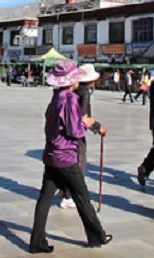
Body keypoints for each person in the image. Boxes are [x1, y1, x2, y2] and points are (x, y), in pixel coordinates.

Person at [29, 61, 111, 254]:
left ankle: (37, 240)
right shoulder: (70, 99)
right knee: (82, 197)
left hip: (51, 154)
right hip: (65, 157)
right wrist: (85, 123)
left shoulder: (55, 98)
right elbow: (74, 131)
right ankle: (97, 236)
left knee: (44, 199)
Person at [59, 64, 104, 209]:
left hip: (63, 131)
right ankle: (69, 196)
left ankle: (64, 190)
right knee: (79, 162)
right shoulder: (84, 92)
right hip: (76, 132)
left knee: (66, 161)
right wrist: (98, 127)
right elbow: (84, 117)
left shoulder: (70, 89)